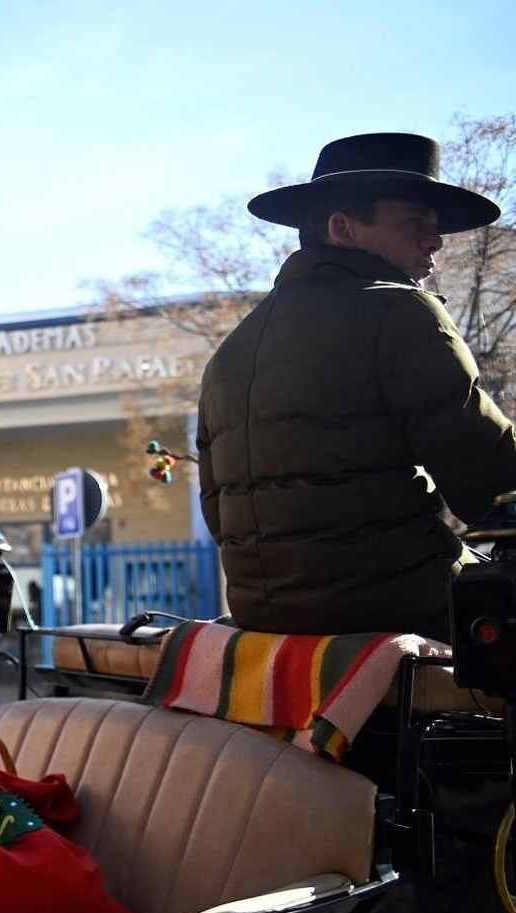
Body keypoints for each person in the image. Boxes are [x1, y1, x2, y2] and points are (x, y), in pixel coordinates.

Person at [196, 132, 516, 641]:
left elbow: (219, 516)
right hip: (403, 610)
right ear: (342, 228)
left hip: (266, 619)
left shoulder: (229, 352)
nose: (435, 241)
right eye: (415, 221)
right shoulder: (401, 310)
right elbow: (493, 484)